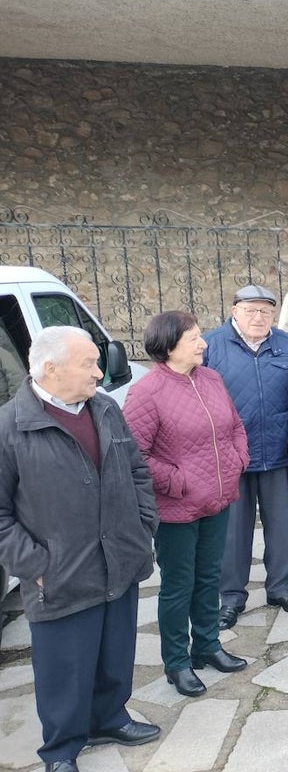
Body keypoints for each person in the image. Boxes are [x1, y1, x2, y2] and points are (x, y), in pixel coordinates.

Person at [0, 327, 161, 771]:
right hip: (58, 575)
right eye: (88, 363)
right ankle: (62, 748)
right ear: (51, 369)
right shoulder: (9, 428)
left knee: (115, 653)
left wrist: (143, 525)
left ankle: (109, 718)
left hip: (120, 561)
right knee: (63, 672)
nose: (100, 371)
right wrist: (35, 565)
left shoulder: (106, 408)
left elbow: (137, 471)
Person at [124, 311, 250, 697]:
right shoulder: (147, 392)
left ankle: (208, 646)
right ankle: (177, 662)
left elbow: (235, 426)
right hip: (176, 508)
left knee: (210, 576)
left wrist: (237, 461)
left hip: (217, 498)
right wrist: (178, 480)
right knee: (178, 586)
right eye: (194, 338)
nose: (204, 343)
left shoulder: (210, 378)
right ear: (169, 346)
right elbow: (134, 454)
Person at [204, 285, 288, 632]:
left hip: (278, 452)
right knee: (234, 532)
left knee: (281, 526)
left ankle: (280, 587)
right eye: (250, 310)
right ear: (234, 311)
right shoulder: (211, 346)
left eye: (265, 311)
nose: (258, 317)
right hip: (231, 456)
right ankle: (231, 597)